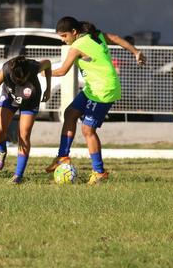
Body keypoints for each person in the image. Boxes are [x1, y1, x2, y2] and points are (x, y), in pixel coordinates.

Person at [45, 16, 146, 185]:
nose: (63, 41)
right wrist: (136, 52)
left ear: (74, 32)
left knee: (87, 129)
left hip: (103, 90)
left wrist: (42, 71)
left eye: (64, 36)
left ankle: (99, 172)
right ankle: (62, 156)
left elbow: (62, 71)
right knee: (70, 113)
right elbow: (115, 38)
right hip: (94, 88)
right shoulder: (95, 35)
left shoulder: (77, 46)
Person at [0, 55, 52, 184]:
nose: (19, 82)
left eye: (22, 79)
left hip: (30, 100)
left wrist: (48, 88)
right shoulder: (6, 69)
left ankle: (18, 176)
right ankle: (2, 151)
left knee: (24, 135)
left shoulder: (33, 66)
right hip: (9, 98)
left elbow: (48, 63)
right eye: (16, 79)